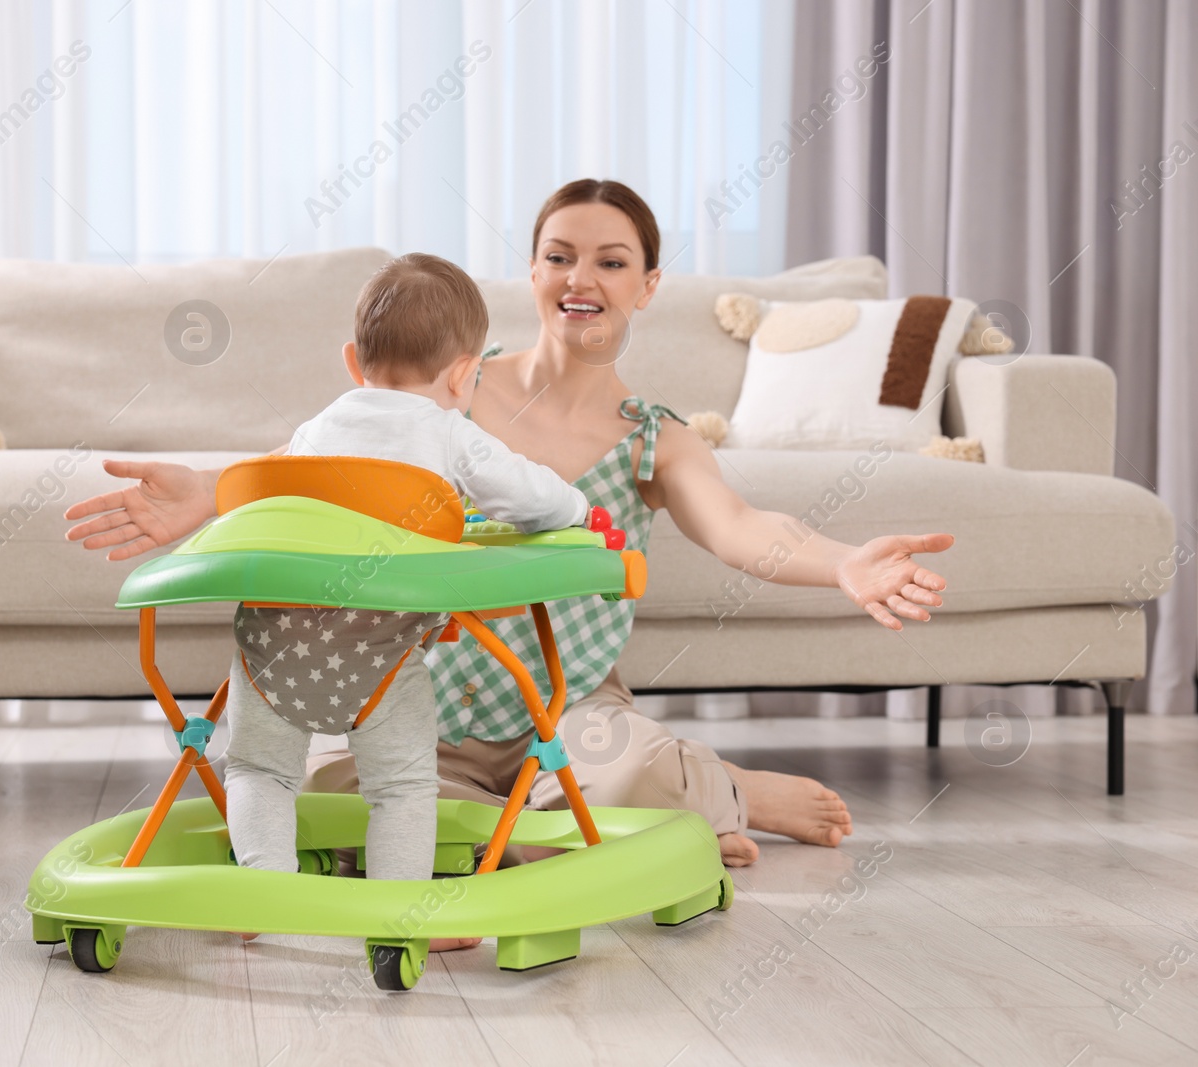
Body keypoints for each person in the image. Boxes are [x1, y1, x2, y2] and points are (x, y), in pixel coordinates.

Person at [64, 179, 953, 917]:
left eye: (612, 261)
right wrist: (215, 495)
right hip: (418, 705)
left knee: (621, 762)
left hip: (568, 713)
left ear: (647, 286)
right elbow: (325, 472)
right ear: (531, 272)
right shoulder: (447, 387)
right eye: (560, 255)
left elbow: (739, 526)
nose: (582, 277)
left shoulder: (656, 438)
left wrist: (842, 562)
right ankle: (618, 828)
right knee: (333, 805)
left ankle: (714, 790)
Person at [221, 252, 593, 892]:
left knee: (258, 771)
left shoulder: (310, 434)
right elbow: (530, 496)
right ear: (464, 374)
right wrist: (578, 508)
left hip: (270, 645)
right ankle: (398, 909)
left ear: (352, 362)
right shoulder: (449, 433)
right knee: (401, 787)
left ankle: (264, 891)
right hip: (377, 654)